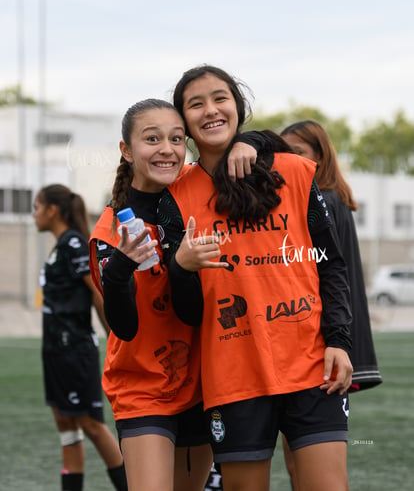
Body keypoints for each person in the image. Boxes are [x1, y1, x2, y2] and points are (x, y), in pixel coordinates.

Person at [157, 65, 354, 491]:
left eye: (220, 98)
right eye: (196, 104)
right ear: (185, 122)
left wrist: (339, 339)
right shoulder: (175, 195)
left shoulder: (296, 172)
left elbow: (331, 264)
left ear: (238, 106)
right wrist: (182, 267)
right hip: (234, 377)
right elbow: (188, 313)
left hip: (311, 365)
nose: (211, 110)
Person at [88, 98, 256, 491]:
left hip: (205, 385)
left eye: (177, 138)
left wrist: (253, 144)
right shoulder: (111, 229)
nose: (167, 149)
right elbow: (125, 328)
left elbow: (193, 311)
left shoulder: (198, 193)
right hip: (144, 387)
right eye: (152, 139)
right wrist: (121, 269)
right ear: (126, 150)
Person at [279, 119, 382, 489]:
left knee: (317, 465)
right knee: (298, 461)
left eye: (299, 152)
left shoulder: (326, 201)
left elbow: (328, 276)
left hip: (323, 345)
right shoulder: (317, 198)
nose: (289, 160)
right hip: (320, 341)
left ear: (319, 157)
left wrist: (336, 341)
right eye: (284, 152)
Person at [32, 184, 127, 491]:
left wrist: (116, 336)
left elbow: (98, 293)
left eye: (36, 206)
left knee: (91, 425)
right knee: (66, 425)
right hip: (55, 351)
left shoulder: (74, 244)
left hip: (74, 349)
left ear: (52, 210)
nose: (34, 214)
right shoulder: (61, 245)